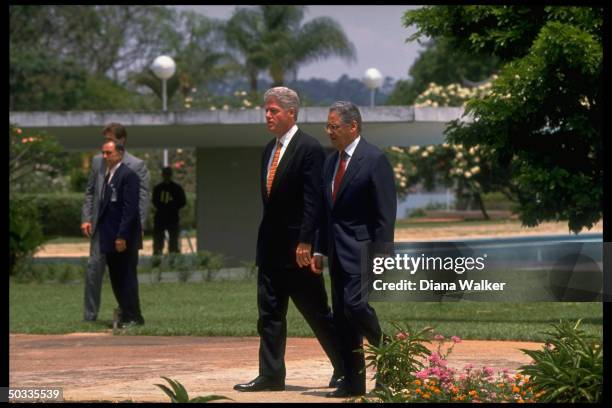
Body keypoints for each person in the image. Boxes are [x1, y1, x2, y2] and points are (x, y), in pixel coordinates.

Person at [234, 87, 345, 392]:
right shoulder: (268, 149)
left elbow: (313, 201)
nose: (267, 115)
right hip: (270, 249)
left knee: (317, 312)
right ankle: (271, 375)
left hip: (299, 250)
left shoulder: (309, 148)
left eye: (273, 111)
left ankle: (346, 367)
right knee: (269, 314)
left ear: (291, 113)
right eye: (266, 110)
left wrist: (307, 241)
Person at [312, 101, 397, 398]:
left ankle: (391, 356)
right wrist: (319, 250)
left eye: (334, 127)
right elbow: (326, 212)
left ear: (353, 126)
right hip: (336, 252)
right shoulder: (330, 162)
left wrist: (382, 254)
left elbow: (385, 213)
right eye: (328, 126)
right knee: (343, 318)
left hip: (364, 251)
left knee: (356, 307)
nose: (329, 132)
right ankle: (353, 382)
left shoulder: (374, 159)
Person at [80, 123, 150, 322]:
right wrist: (86, 218)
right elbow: (90, 192)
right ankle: (90, 316)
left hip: (122, 228)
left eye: (111, 139)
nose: (107, 146)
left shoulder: (136, 165)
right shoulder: (97, 161)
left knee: (123, 272)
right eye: (105, 140)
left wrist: (139, 226)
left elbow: (141, 199)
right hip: (100, 227)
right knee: (94, 270)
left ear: (122, 141)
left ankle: (128, 313)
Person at [96, 139, 144, 328]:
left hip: (122, 238)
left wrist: (122, 236)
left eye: (109, 153)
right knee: (116, 278)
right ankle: (125, 313)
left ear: (120, 154)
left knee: (126, 277)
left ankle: (134, 316)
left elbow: (129, 209)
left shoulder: (128, 175)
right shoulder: (110, 175)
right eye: (104, 153)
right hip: (109, 236)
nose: (105, 157)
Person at [152, 167, 187, 255]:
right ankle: (160, 254)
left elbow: (182, 201)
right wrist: (171, 208)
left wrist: (171, 208)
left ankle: (171, 254)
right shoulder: (159, 188)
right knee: (159, 239)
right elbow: (155, 201)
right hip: (163, 217)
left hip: (170, 216)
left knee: (172, 240)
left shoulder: (174, 188)